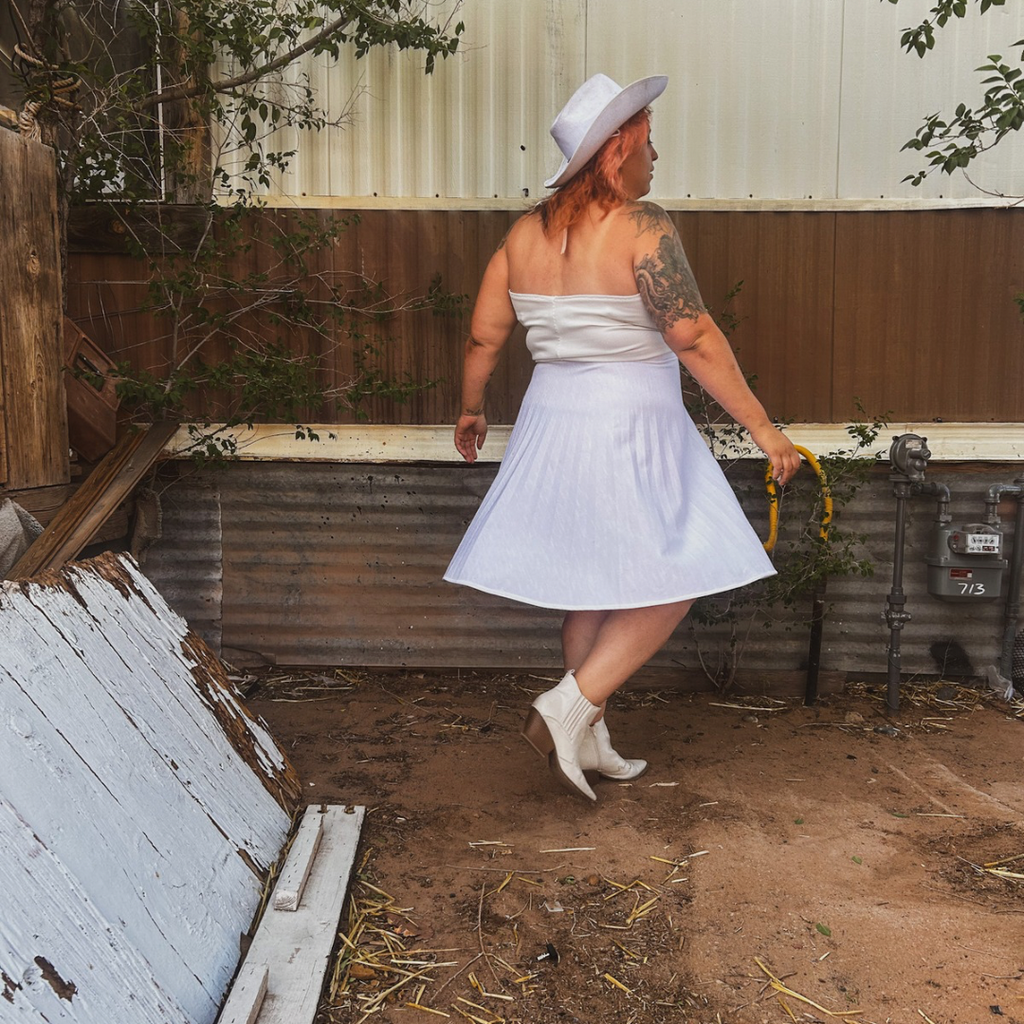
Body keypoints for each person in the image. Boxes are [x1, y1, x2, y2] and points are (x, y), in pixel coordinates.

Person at [444, 73, 800, 802]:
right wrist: (766, 430)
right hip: (632, 421)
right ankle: (570, 704)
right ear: (615, 152)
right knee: (680, 571)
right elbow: (692, 337)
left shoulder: (522, 234)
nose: (656, 157)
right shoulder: (644, 227)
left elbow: (485, 336)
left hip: (554, 419)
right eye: (647, 142)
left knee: (593, 582)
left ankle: (592, 735)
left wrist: (471, 408)